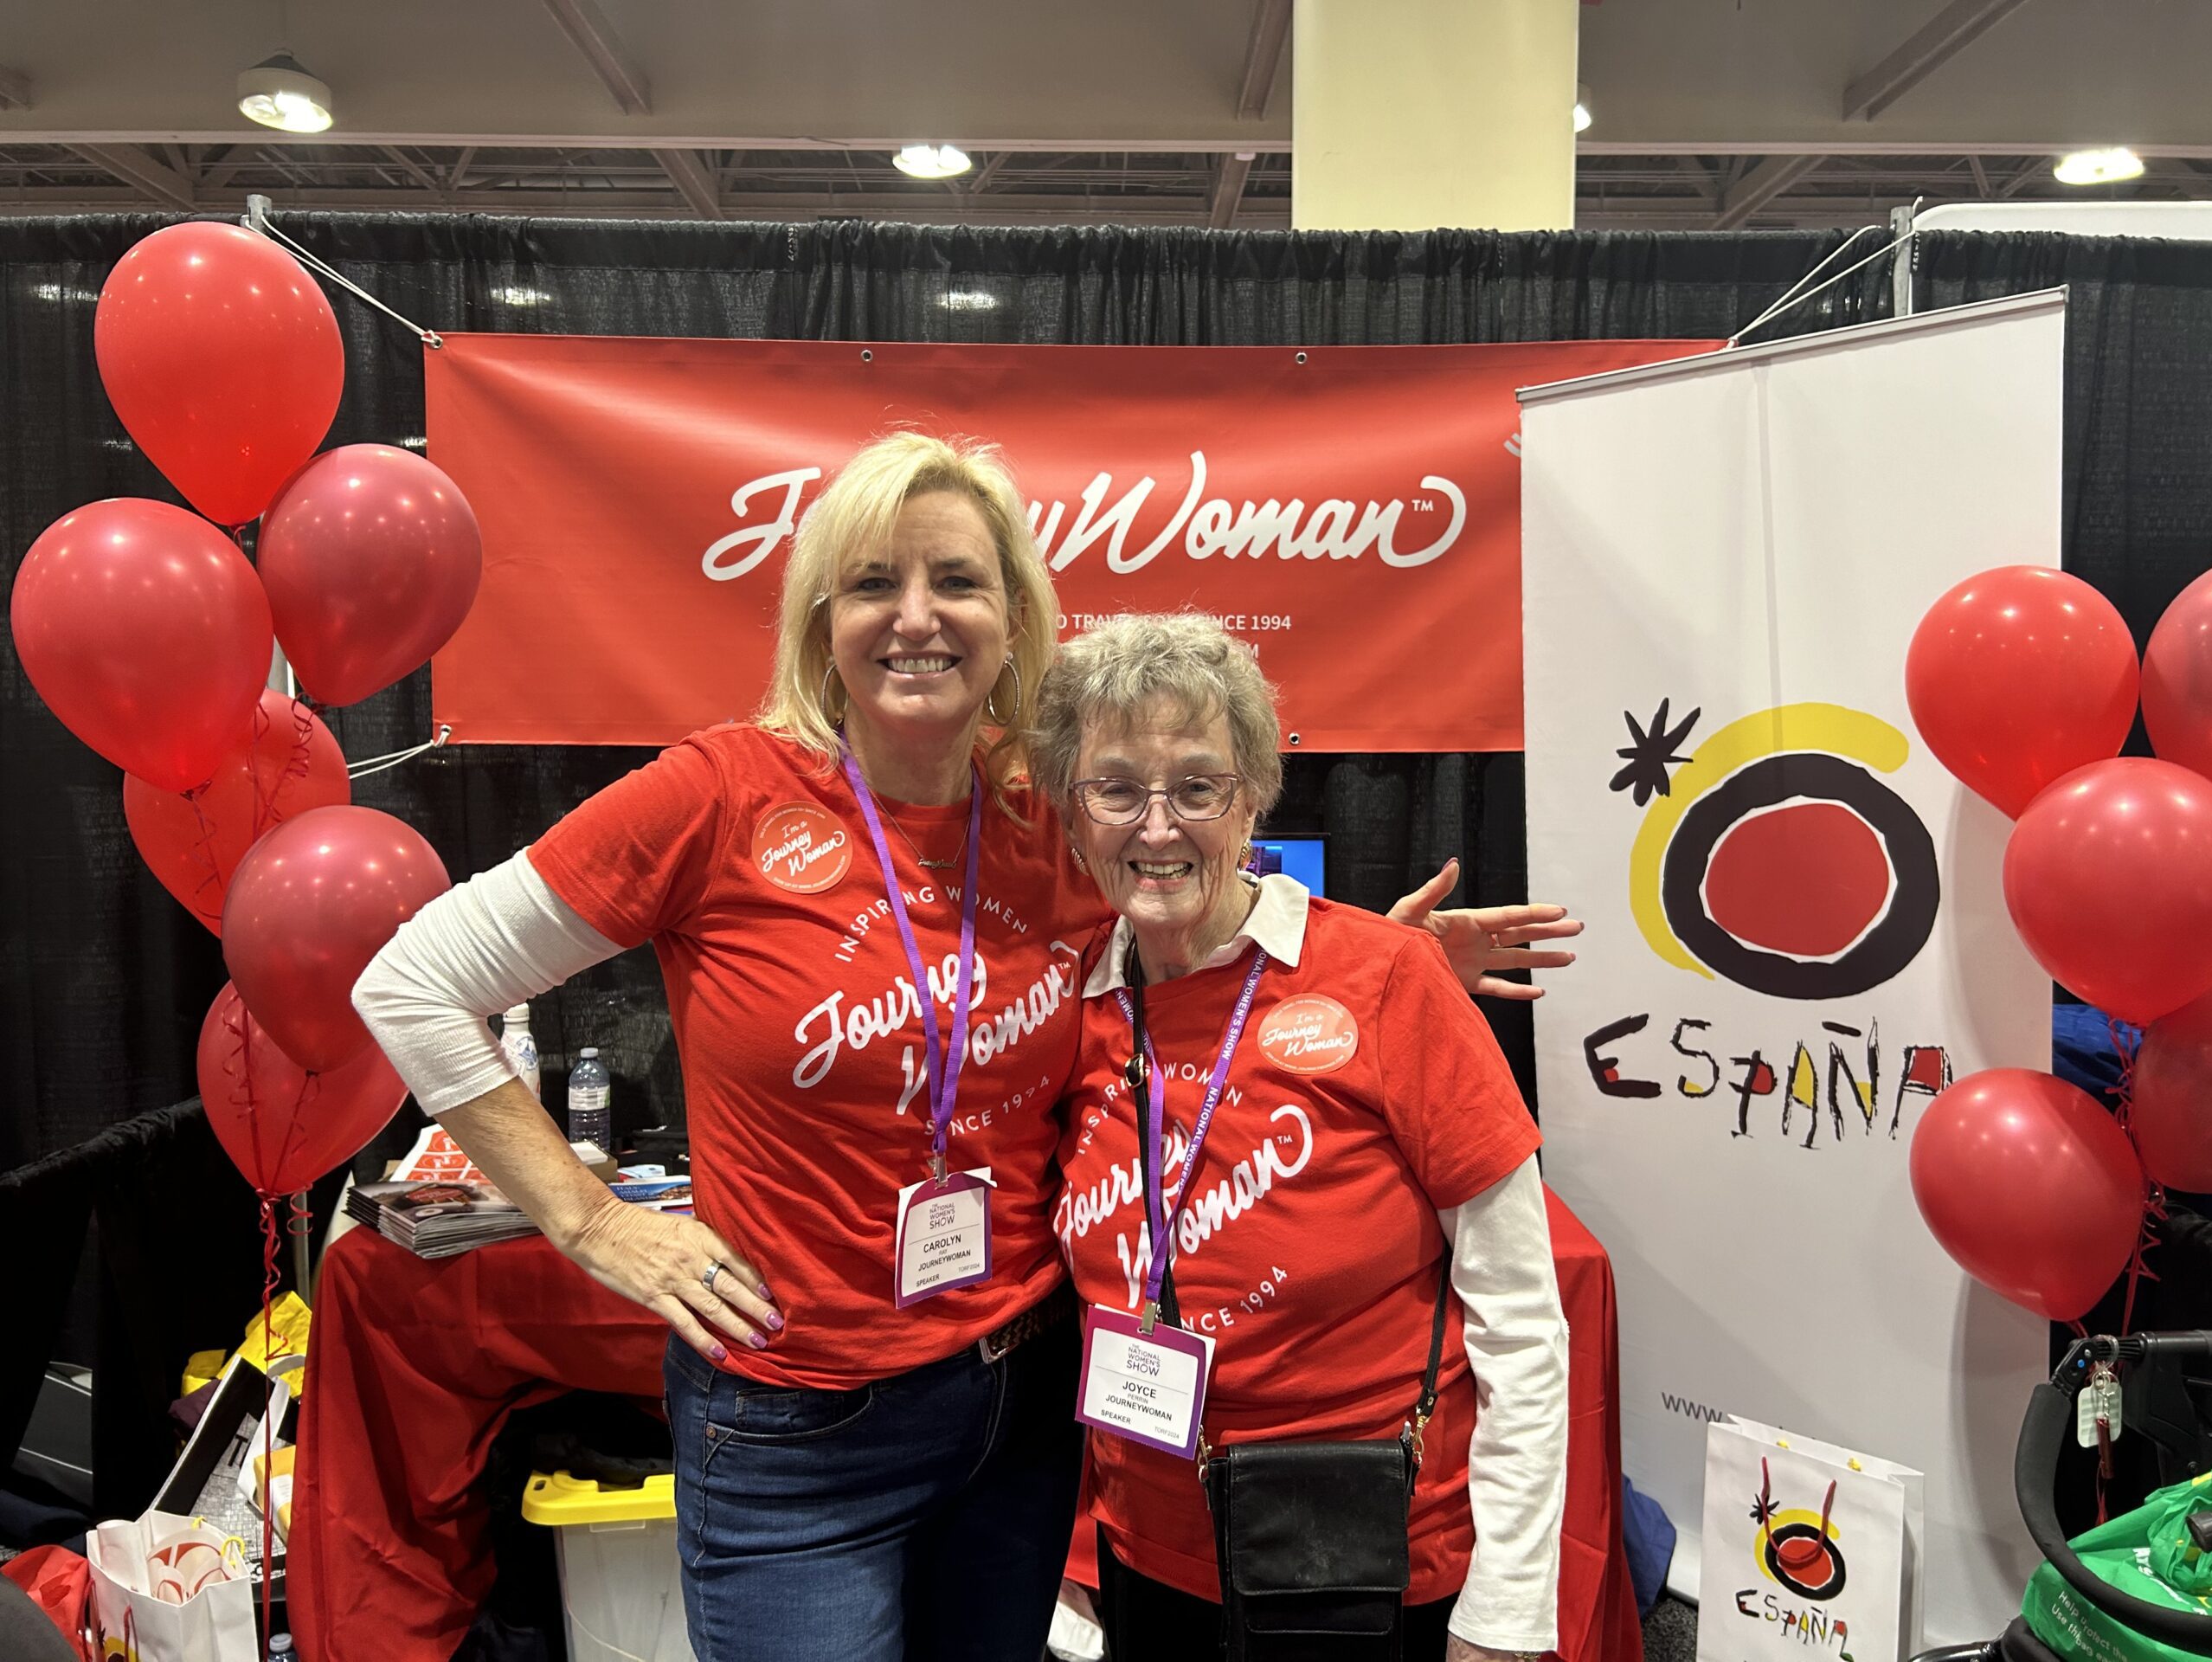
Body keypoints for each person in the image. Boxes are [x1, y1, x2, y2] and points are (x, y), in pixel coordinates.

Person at [350, 434, 1579, 1662]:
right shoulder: (716, 799)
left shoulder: (1048, 808)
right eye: (876, 582)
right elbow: (410, 986)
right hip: (796, 1429)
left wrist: (1360, 959)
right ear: (821, 617)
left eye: (957, 582)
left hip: (1020, 1406)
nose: (917, 617)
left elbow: (1180, 874)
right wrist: (589, 1218)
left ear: (1012, 619)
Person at [1032, 612, 1570, 1662]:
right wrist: (1079, 1559)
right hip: (1149, 1551)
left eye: (1197, 787)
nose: (1156, 827)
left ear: (1252, 800)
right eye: (1116, 788)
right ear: (1070, 810)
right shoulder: (1066, 998)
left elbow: (1519, 1312)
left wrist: (1508, 1607)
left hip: (1363, 1552)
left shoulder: (1387, 979)